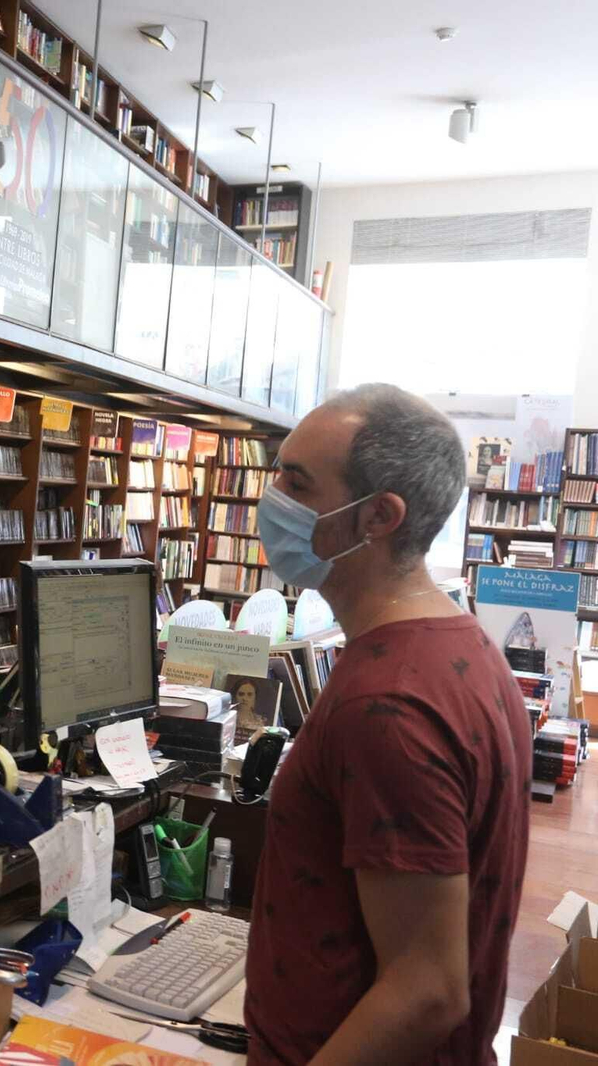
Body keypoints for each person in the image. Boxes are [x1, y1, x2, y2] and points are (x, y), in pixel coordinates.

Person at [244, 383, 530, 1064]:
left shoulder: (387, 705)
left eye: (297, 482)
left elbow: (428, 991)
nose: (271, 497)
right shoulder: (461, 644)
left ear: (378, 516)